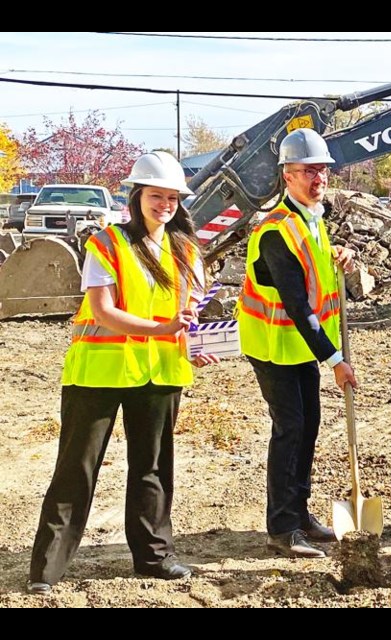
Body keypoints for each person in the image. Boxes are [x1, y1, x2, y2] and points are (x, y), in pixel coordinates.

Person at [28, 151, 217, 594]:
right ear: (136, 197)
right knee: (77, 467)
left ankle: (153, 557)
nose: (165, 205)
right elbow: (103, 311)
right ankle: (47, 570)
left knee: (153, 468)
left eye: (172, 198)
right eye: (156, 196)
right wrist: (162, 329)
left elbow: (188, 313)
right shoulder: (108, 244)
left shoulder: (188, 250)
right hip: (99, 371)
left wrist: (195, 344)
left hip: (160, 373)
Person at [237, 128, 357, 558]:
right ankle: (283, 528)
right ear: (287, 176)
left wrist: (338, 256)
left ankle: (300, 514)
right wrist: (336, 359)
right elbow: (295, 304)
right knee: (289, 430)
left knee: (307, 428)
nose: (317, 178)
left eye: (321, 170)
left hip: (300, 345)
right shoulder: (275, 231)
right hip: (272, 344)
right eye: (308, 171)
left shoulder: (312, 218)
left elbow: (314, 273)